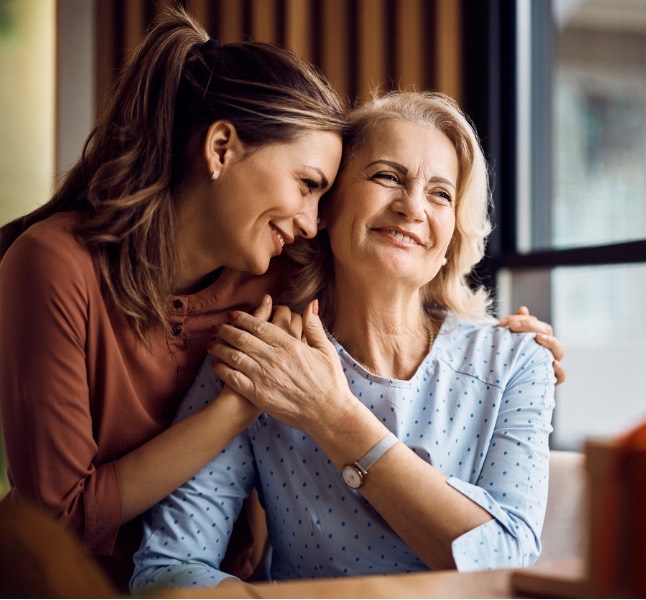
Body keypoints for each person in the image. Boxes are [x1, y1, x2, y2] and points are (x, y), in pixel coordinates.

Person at [130, 91, 557, 592]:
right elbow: (166, 571)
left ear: (452, 239)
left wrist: (334, 418)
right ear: (326, 206)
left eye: (441, 193)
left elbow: (509, 562)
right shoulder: (265, 358)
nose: (412, 206)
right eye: (386, 176)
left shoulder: (517, 361)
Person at [0, 8, 347, 588]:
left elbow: (402, 311)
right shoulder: (53, 266)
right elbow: (59, 518)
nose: (312, 223)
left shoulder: (282, 279)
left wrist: (510, 337)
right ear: (220, 147)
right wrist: (236, 408)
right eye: (307, 185)